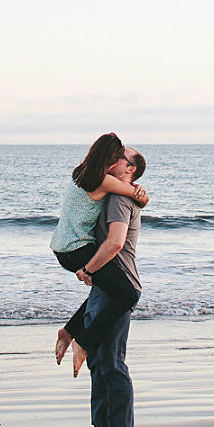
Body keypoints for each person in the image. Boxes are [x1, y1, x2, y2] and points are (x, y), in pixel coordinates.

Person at [50, 133, 149, 376]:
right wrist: (143, 197)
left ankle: (69, 330)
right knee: (127, 294)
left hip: (63, 248)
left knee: (110, 288)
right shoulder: (103, 181)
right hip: (77, 249)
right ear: (110, 159)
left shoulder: (81, 173)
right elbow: (134, 195)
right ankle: (84, 342)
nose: (118, 162)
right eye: (117, 157)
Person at [69, 147, 145, 427]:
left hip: (119, 287)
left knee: (112, 362)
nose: (113, 160)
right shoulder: (114, 192)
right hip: (104, 287)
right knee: (98, 361)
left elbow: (115, 244)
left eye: (120, 158)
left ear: (130, 170)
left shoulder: (120, 198)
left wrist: (87, 269)